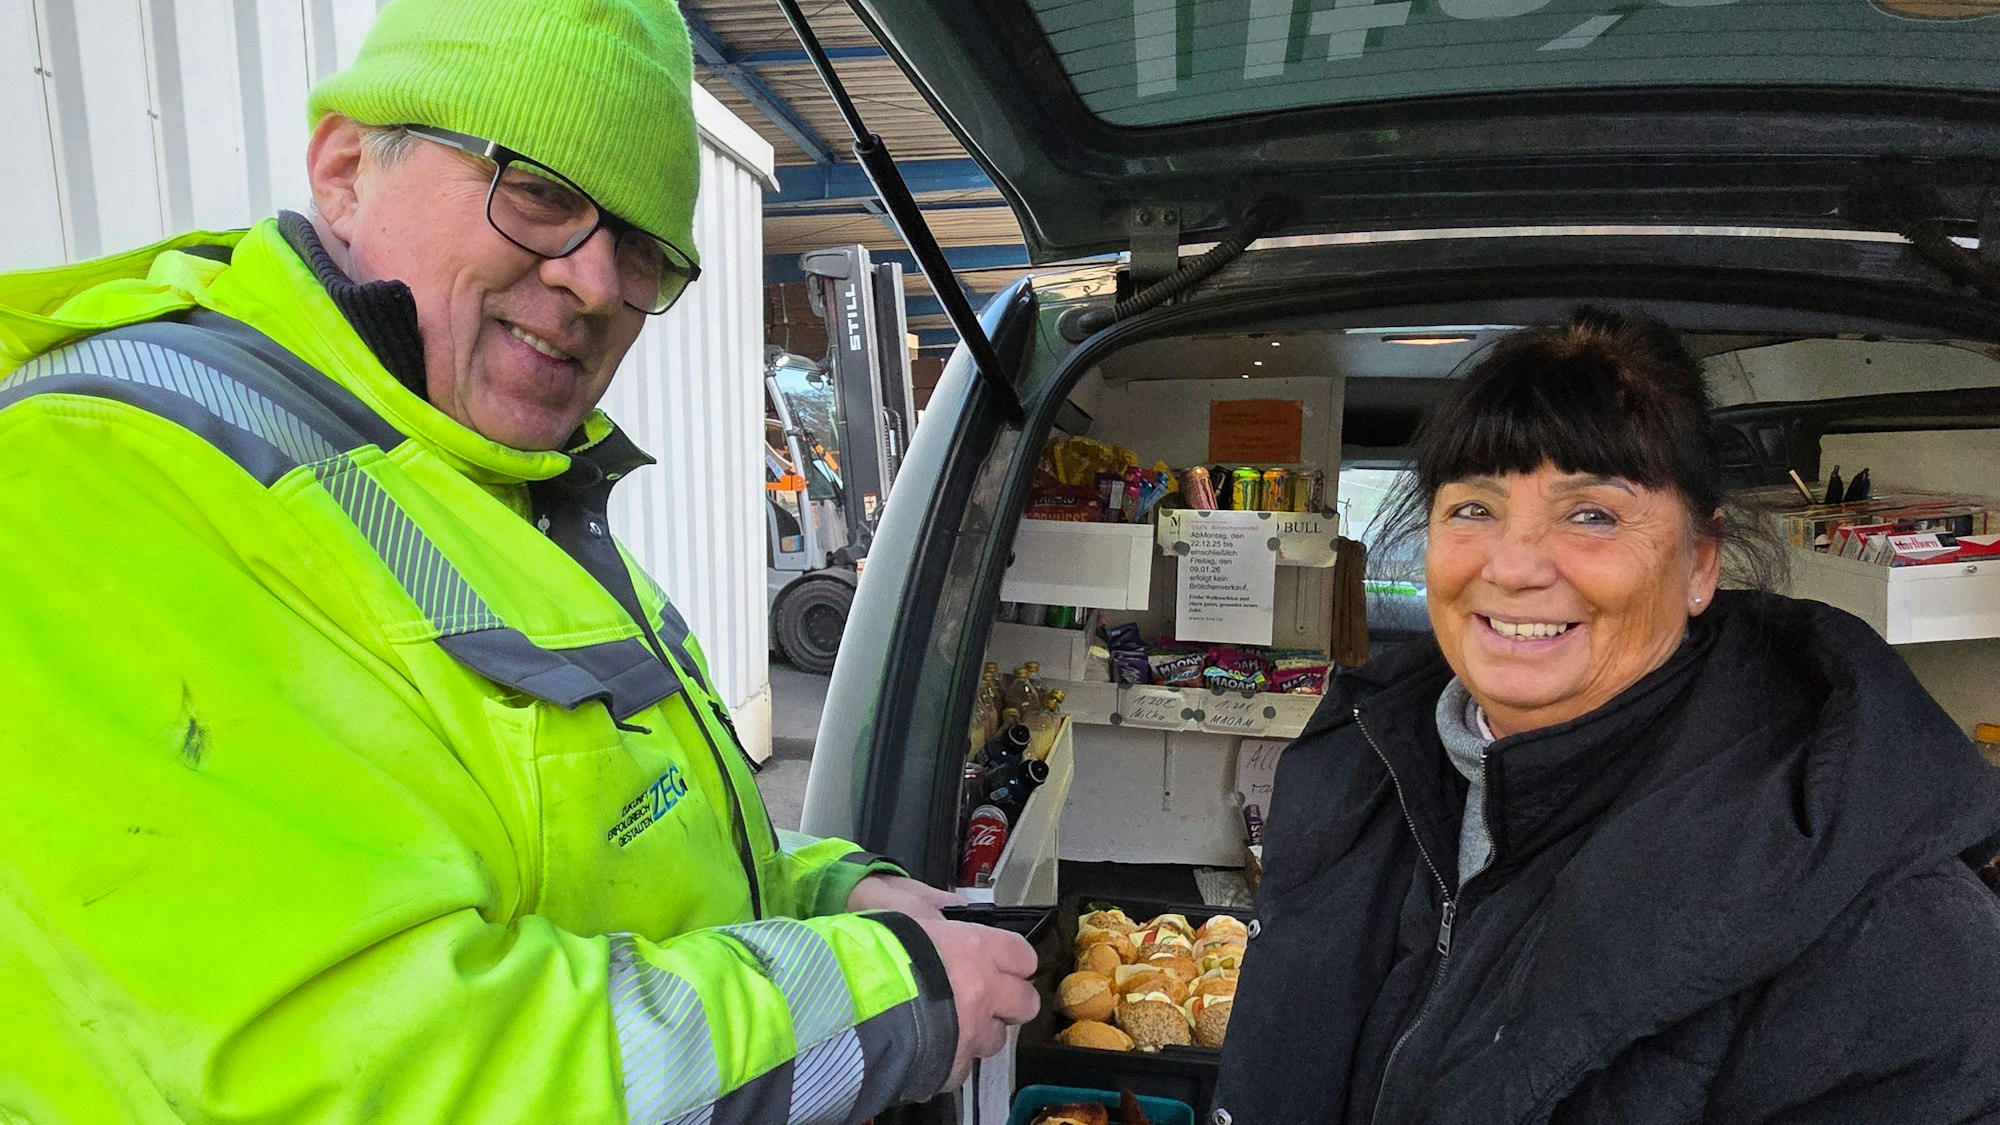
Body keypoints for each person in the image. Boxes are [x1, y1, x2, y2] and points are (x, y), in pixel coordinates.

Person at [0, 1, 1038, 1120]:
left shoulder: (507, 493)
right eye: (540, 191)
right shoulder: (104, 480)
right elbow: (380, 1069)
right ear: (345, 167)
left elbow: (628, 848)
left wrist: (832, 888)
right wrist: (887, 994)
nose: (596, 285)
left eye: (641, 248)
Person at [1212, 310, 2000, 1123]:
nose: (1513, 565)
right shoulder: (1361, 760)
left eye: (1590, 513)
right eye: (1474, 508)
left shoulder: (1895, 937)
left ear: (1700, 562)